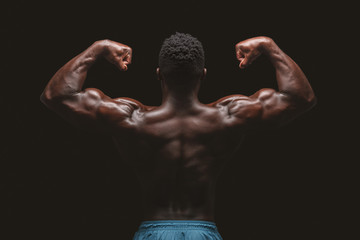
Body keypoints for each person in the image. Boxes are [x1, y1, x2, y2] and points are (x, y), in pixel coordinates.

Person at [40, 32, 316, 240]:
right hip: (203, 232)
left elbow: (57, 95)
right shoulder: (229, 116)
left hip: (152, 233)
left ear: (159, 74)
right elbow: (300, 97)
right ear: (203, 75)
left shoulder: (131, 119)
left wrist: (98, 48)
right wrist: (269, 46)